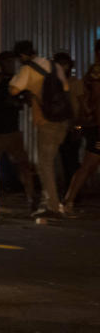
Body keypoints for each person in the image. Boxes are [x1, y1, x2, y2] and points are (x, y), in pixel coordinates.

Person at [9, 40, 71, 217]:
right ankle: (53, 200)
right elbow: (66, 88)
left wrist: (30, 89)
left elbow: (13, 90)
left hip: (46, 121)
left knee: (44, 164)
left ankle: (52, 205)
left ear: (22, 56)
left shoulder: (27, 69)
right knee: (52, 160)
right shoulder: (54, 65)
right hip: (63, 120)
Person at [0, 52, 35, 209]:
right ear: (1, 63)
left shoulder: (17, 81)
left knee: (24, 166)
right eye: (6, 61)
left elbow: (29, 101)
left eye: (11, 61)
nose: (9, 64)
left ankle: (31, 199)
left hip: (12, 131)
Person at [63, 43, 100, 213]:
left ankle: (69, 200)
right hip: (97, 126)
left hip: (93, 125)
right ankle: (68, 201)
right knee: (89, 164)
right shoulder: (96, 71)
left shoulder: (94, 70)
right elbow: (93, 97)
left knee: (89, 164)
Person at [53, 52, 84, 194]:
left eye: (64, 64)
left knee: (72, 160)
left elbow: (81, 105)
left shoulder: (75, 83)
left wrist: (77, 126)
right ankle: (68, 191)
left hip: (72, 126)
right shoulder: (56, 83)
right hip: (60, 127)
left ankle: (74, 192)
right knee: (65, 159)